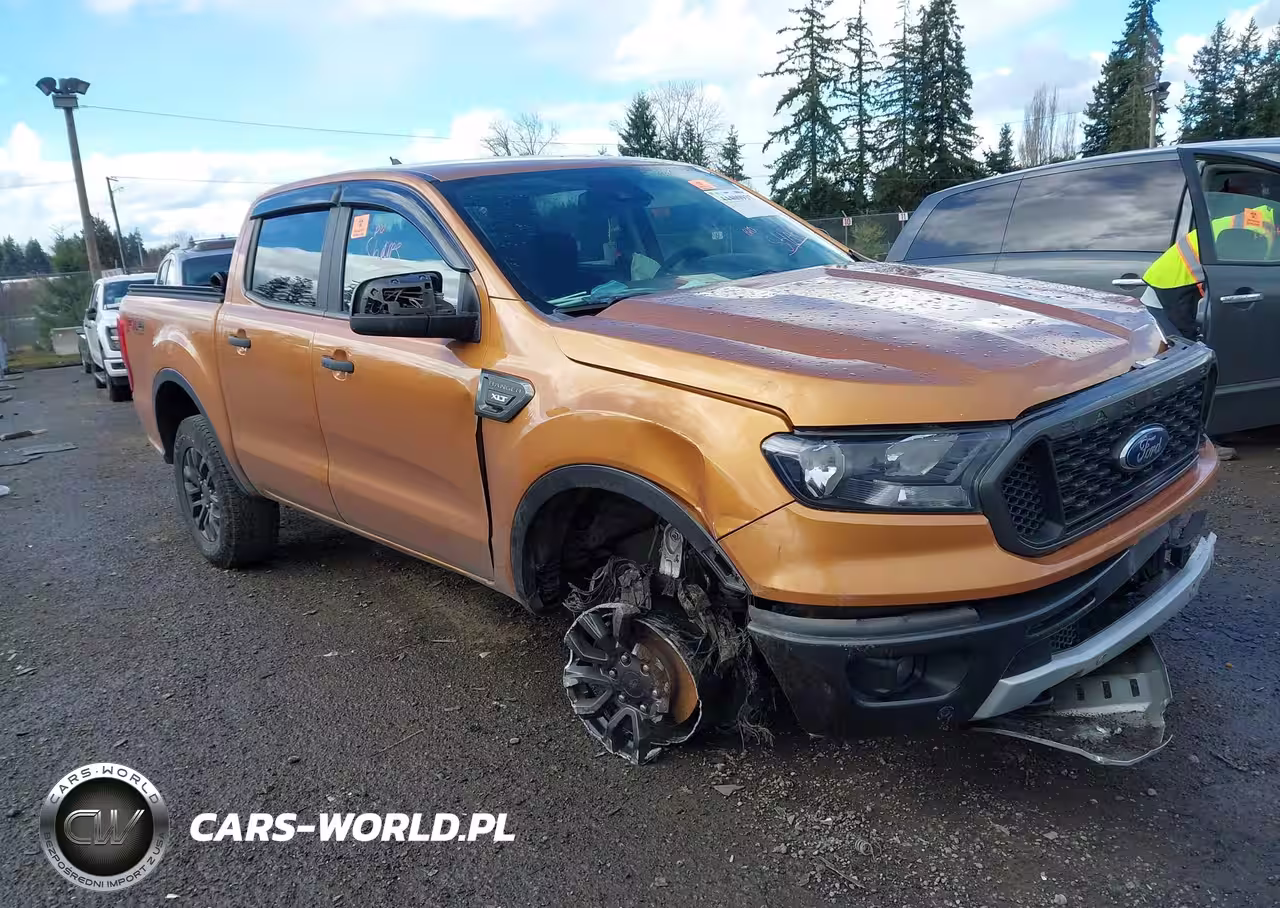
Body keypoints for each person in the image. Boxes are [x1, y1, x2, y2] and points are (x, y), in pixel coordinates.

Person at [1141, 173, 1279, 461]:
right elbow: (1236, 274)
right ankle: (1194, 442)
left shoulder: (1257, 221)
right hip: (1170, 289)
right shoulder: (1255, 229)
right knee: (1190, 368)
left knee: (1199, 361)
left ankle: (1204, 430)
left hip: (1181, 288)